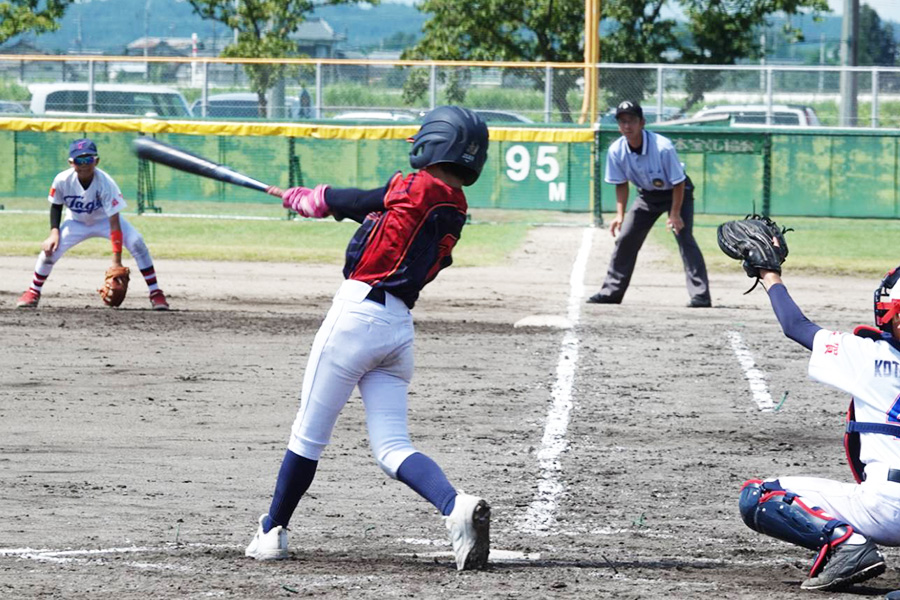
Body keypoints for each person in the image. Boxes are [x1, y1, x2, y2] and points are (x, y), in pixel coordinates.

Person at [244, 106, 491, 571]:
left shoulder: (417, 186)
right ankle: (454, 505)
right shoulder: (455, 208)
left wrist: (317, 198)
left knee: (308, 435)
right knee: (393, 447)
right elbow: (379, 214)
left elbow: (363, 198)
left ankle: (272, 531)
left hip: (357, 317)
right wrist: (328, 205)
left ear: (436, 143)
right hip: (398, 331)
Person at [738, 264, 900, 591]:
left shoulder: (868, 355)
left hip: (885, 507)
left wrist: (769, 275)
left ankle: (848, 546)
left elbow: (795, 325)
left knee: (759, 496)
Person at [15, 138, 169, 311]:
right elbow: (56, 206)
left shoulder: (106, 183)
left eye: (88, 159)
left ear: (96, 161)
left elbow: (114, 223)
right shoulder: (62, 180)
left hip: (105, 221)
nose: (84, 165)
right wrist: (54, 233)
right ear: (71, 162)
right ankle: (33, 291)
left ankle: (156, 293)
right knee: (49, 251)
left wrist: (116, 262)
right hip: (75, 222)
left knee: (136, 242)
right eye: (79, 160)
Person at [587, 101, 711, 308]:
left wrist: (675, 214)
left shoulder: (662, 147)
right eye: (622, 121)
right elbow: (621, 183)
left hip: (677, 193)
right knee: (626, 238)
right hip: (647, 196)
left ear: (642, 123)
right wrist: (620, 214)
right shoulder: (616, 150)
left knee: (684, 237)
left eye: (632, 121)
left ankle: (701, 295)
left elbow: (678, 182)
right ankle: (611, 292)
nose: (627, 126)